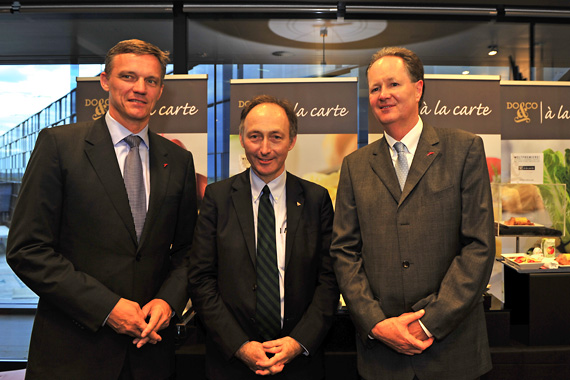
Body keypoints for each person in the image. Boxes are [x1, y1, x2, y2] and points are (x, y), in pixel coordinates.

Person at [7, 39, 198, 380]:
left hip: (150, 355)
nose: (140, 88)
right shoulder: (59, 146)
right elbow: (27, 250)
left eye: (151, 81)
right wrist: (107, 308)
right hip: (73, 354)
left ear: (160, 90)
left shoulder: (179, 160)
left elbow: (187, 250)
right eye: (128, 77)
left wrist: (168, 301)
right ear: (105, 81)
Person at [330, 46, 495, 380]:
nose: (383, 95)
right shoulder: (354, 166)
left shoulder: (464, 149)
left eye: (393, 84)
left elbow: (479, 246)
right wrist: (375, 323)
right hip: (382, 356)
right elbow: (344, 252)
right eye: (375, 88)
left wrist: (428, 322)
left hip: (453, 352)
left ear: (418, 88)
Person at [188, 94, 339, 379]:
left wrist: (298, 342)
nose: (265, 149)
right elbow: (201, 278)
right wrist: (240, 345)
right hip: (231, 361)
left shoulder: (316, 198)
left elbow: (329, 279)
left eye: (276, 137)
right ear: (242, 138)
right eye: (255, 136)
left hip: (299, 362)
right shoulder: (218, 198)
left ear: (292, 141)